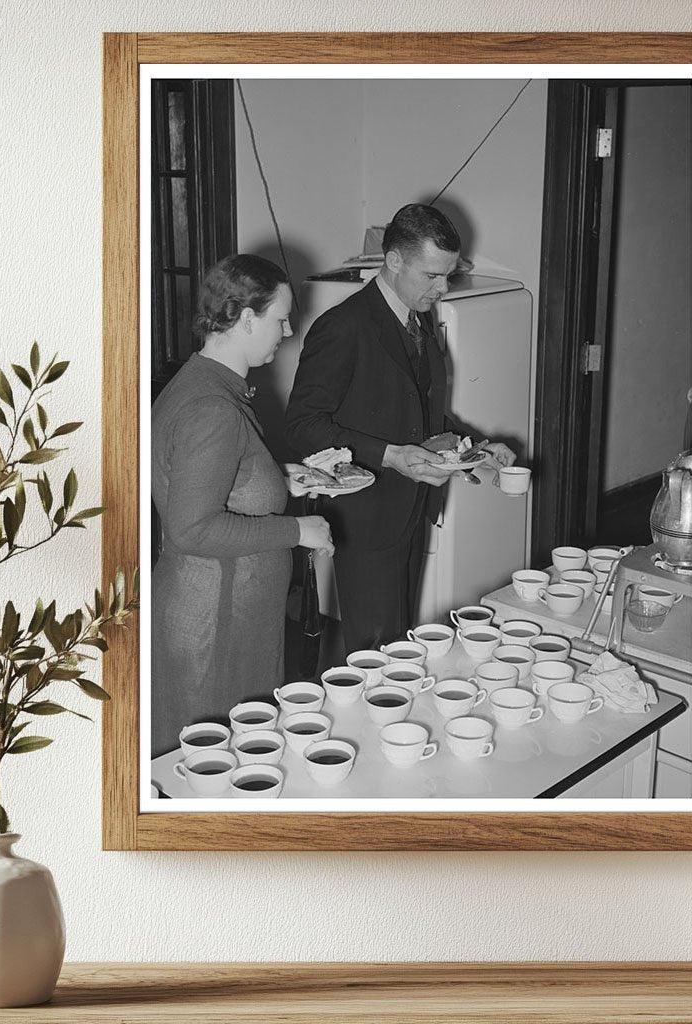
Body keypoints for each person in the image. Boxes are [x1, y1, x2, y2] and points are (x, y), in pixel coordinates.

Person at [285, 204, 514, 652]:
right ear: (393, 261)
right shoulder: (342, 327)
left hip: (414, 505)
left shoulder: (415, 316)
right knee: (372, 650)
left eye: (447, 275)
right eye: (432, 275)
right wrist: (390, 456)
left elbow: (417, 411)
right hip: (367, 518)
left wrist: (476, 448)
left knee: (398, 643)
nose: (442, 288)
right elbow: (303, 424)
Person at [150, 255, 333, 756]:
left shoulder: (198, 383)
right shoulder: (214, 407)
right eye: (280, 318)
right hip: (217, 621)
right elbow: (193, 528)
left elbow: (209, 481)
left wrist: (278, 480)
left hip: (216, 610)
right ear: (247, 319)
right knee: (219, 764)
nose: (289, 329)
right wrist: (299, 532)